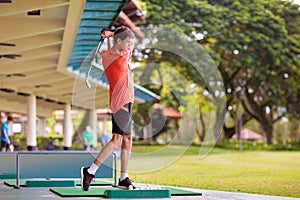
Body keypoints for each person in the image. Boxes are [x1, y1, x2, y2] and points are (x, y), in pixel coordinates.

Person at [81, 26, 136, 191]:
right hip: (120, 102)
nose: (130, 47)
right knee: (117, 140)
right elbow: (114, 46)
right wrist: (111, 34)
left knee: (127, 140)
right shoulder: (111, 56)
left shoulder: (122, 53)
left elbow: (120, 42)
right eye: (127, 43)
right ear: (118, 41)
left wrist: (112, 35)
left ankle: (123, 177)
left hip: (128, 101)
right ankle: (90, 171)